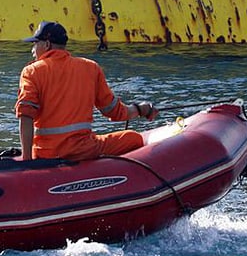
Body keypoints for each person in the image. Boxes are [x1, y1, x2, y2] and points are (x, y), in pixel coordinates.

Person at [15, 20, 159, 161]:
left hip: (46, 153)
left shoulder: (31, 71)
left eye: (35, 44)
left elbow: (26, 114)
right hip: (84, 150)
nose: (32, 50)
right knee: (133, 138)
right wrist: (140, 109)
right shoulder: (91, 68)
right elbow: (113, 110)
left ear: (47, 44)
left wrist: (26, 160)